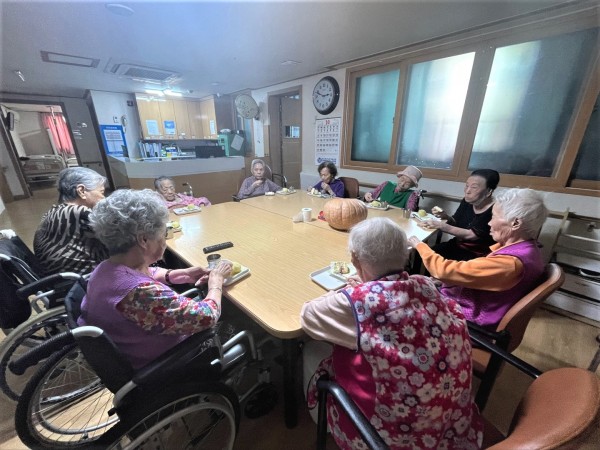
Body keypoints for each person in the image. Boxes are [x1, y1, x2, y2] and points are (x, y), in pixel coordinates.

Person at [301, 217, 482, 449]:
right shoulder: (424, 284)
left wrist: (351, 290)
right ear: (405, 254)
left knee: (313, 350)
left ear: (355, 258)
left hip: (394, 436)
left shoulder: (356, 301)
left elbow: (308, 316)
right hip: (450, 419)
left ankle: (325, 424)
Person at [77, 189, 232, 369]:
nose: (164, 241)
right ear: (143, 239)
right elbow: (207, 316)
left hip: (133, 344)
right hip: (169, 361)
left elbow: (143, 272)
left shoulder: (105, 268)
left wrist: (178, 274)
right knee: (235, 321)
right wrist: (216, 282)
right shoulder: (139, 293)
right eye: (163, 234)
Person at [409, 188, 547, 329]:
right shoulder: (528, 249)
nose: (489, 223)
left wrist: (419, 245)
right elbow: (478, 277)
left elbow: (443, 271)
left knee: (404, 297)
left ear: (515, 223)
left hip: (468, 317)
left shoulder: (511, 263)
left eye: (494, 217)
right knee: (416, 283)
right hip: (471, 302)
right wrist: (447, 282)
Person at [33, 167, 109, 275]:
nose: (103, 198)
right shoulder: (78, 212)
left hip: (56, 276)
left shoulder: (53, 212)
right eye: (101, 192)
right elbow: (118, 236)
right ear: (81, 191)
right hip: (83, 279)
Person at [426, 169, 500, 261]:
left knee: (438, 261)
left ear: (489, 191)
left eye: (474, 187)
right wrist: (445, 216)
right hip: (458, 245)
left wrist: (441, 226)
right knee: (428, 254)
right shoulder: (467, 201)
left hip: (476, 253)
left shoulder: (495, 209)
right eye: (467, 185)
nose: (467, 191)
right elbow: (455, 222)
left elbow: (471, 235)